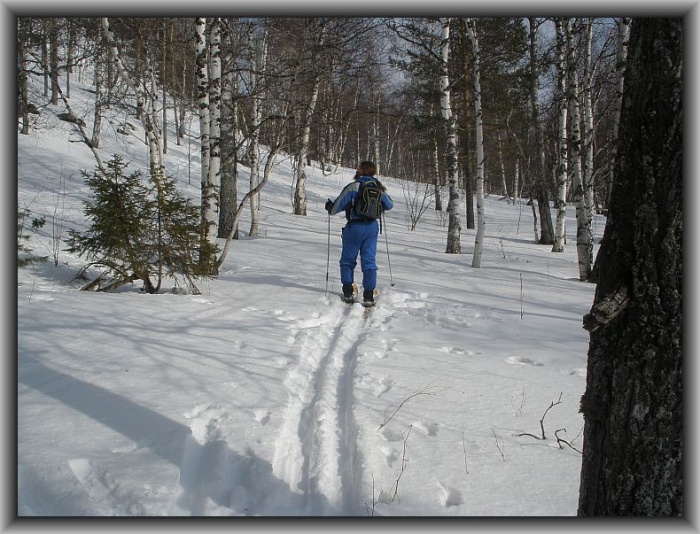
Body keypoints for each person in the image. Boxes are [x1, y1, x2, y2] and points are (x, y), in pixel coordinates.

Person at [325, 161, 393, 305]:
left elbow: (335, 207)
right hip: (372, 228)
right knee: (369, 261)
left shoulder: (353, 187)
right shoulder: (378, 188)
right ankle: (368, 295)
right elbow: (390, 205)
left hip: (354, 228)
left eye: (358, 167)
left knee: (348, 260)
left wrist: (330, 206)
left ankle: (348, 292)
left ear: (362, 170)